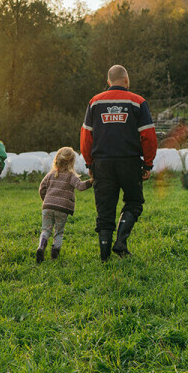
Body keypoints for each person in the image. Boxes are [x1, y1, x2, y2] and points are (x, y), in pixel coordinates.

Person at [80, 65, 157, 261]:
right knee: (134, 202)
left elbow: (86, 137)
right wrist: (147, 165)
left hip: (102, 163)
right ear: (126, 80)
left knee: (105, 209)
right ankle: (121, 242)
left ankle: (104, 256)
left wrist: (90, 165)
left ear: (108, 81)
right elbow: (148, 136)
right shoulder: (138, 102)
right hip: (129, 162)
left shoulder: (94, 102)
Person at [36, 147, 92, 263]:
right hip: (62, 209)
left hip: (47, 207)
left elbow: (42, 188)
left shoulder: (51, 175)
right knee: (58, 232)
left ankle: (41, 247)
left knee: (46, 230)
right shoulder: (71, 176)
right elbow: (81, 187)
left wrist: (45, 200)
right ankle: (54, 254)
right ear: (72, 162)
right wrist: (91, 181)